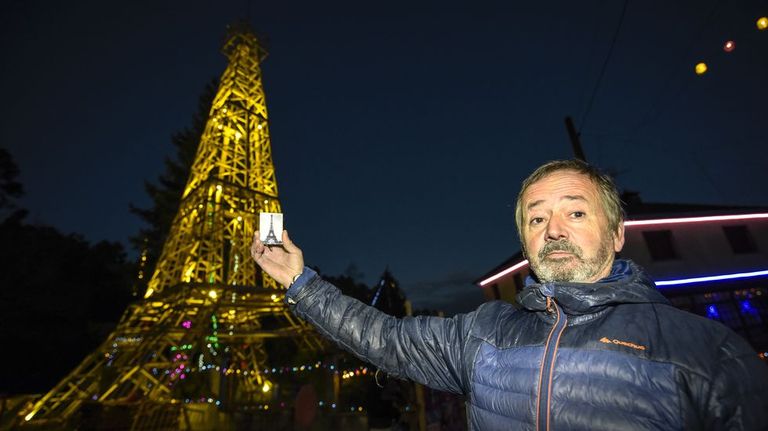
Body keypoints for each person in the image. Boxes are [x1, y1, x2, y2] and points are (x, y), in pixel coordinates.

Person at [251, 159, 768, 430]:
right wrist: (301, 282)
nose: (554, 229)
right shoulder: (485, 334)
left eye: (576, 212)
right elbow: (383, 337)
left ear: (616, 234)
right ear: (525, 241)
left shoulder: (711, 354)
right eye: (537, 219)